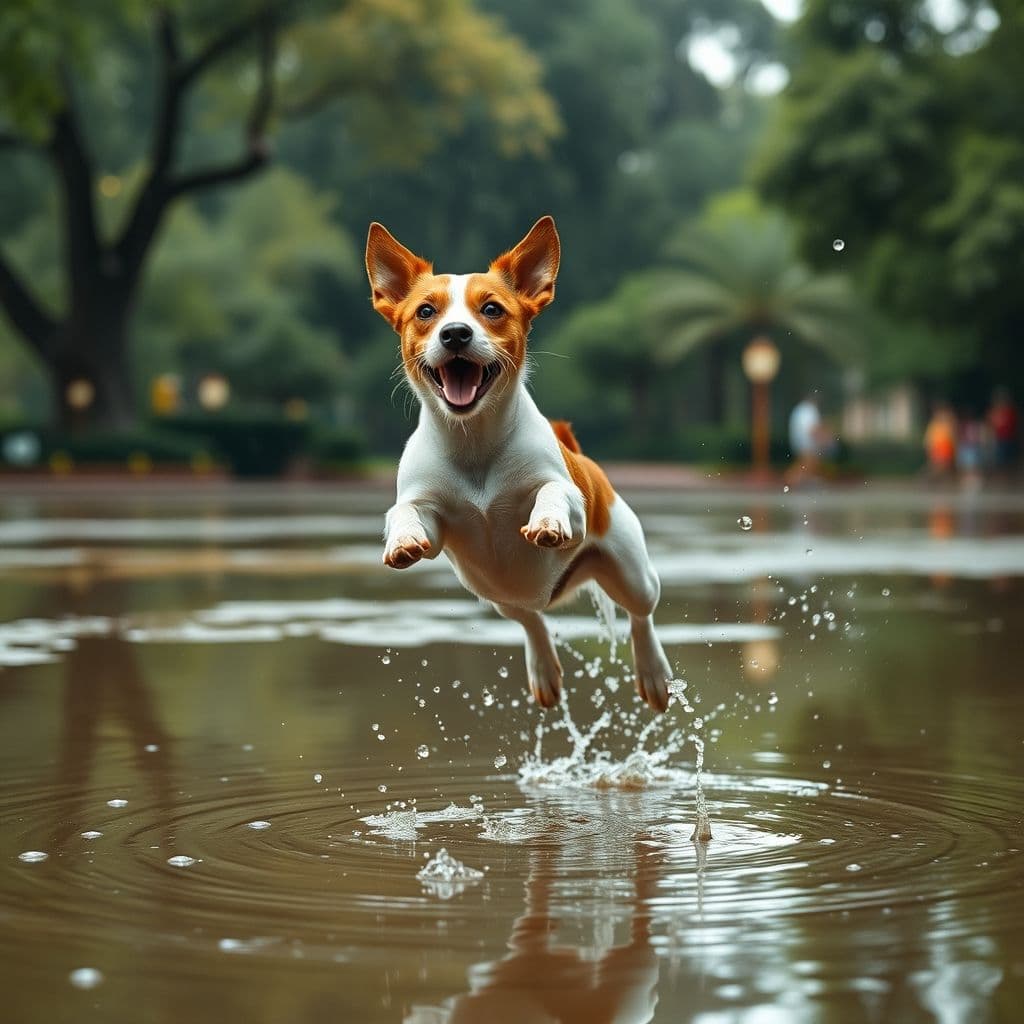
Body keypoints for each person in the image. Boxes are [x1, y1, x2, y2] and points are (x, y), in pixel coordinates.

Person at [787, 393, 822, 485]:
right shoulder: (809, 410)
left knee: (809, 463)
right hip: (806, 442)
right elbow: (811, 428)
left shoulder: (800, 409)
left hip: (799, 441)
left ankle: (801, 481)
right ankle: (790, 480)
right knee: (807, 463)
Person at [987, 388, 1020, 477]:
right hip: (999, 440)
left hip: (1010, 439)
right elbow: (991, 424)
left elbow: (1015, 425)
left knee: (1010, 461)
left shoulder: (1010, 411)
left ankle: (1010, 477)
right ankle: (1002, 477)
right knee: (1000, 461)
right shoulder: (994, 411)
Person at [923, 402, 957, 480]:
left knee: (944, 467)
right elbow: (929, 439)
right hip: (938, 447)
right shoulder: (935, 424)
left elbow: (952, 436)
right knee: (937, 466)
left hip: (946, 447)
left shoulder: (948, 424)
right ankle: (927, 478)